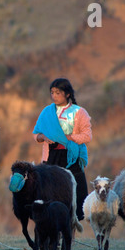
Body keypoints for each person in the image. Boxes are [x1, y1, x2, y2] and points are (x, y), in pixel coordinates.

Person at [32, 78, 92, 221]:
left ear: (67, 94)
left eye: (58, 93)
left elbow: (87, 136)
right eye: (52, 92)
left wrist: (67, 138)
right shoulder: (47, 112)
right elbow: (36, 134)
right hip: (51, 156)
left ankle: (71, 230)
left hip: (71, 157)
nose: (54, 96)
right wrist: (44, 137)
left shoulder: (79, 112)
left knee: (73, 193)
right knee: (48, 192)